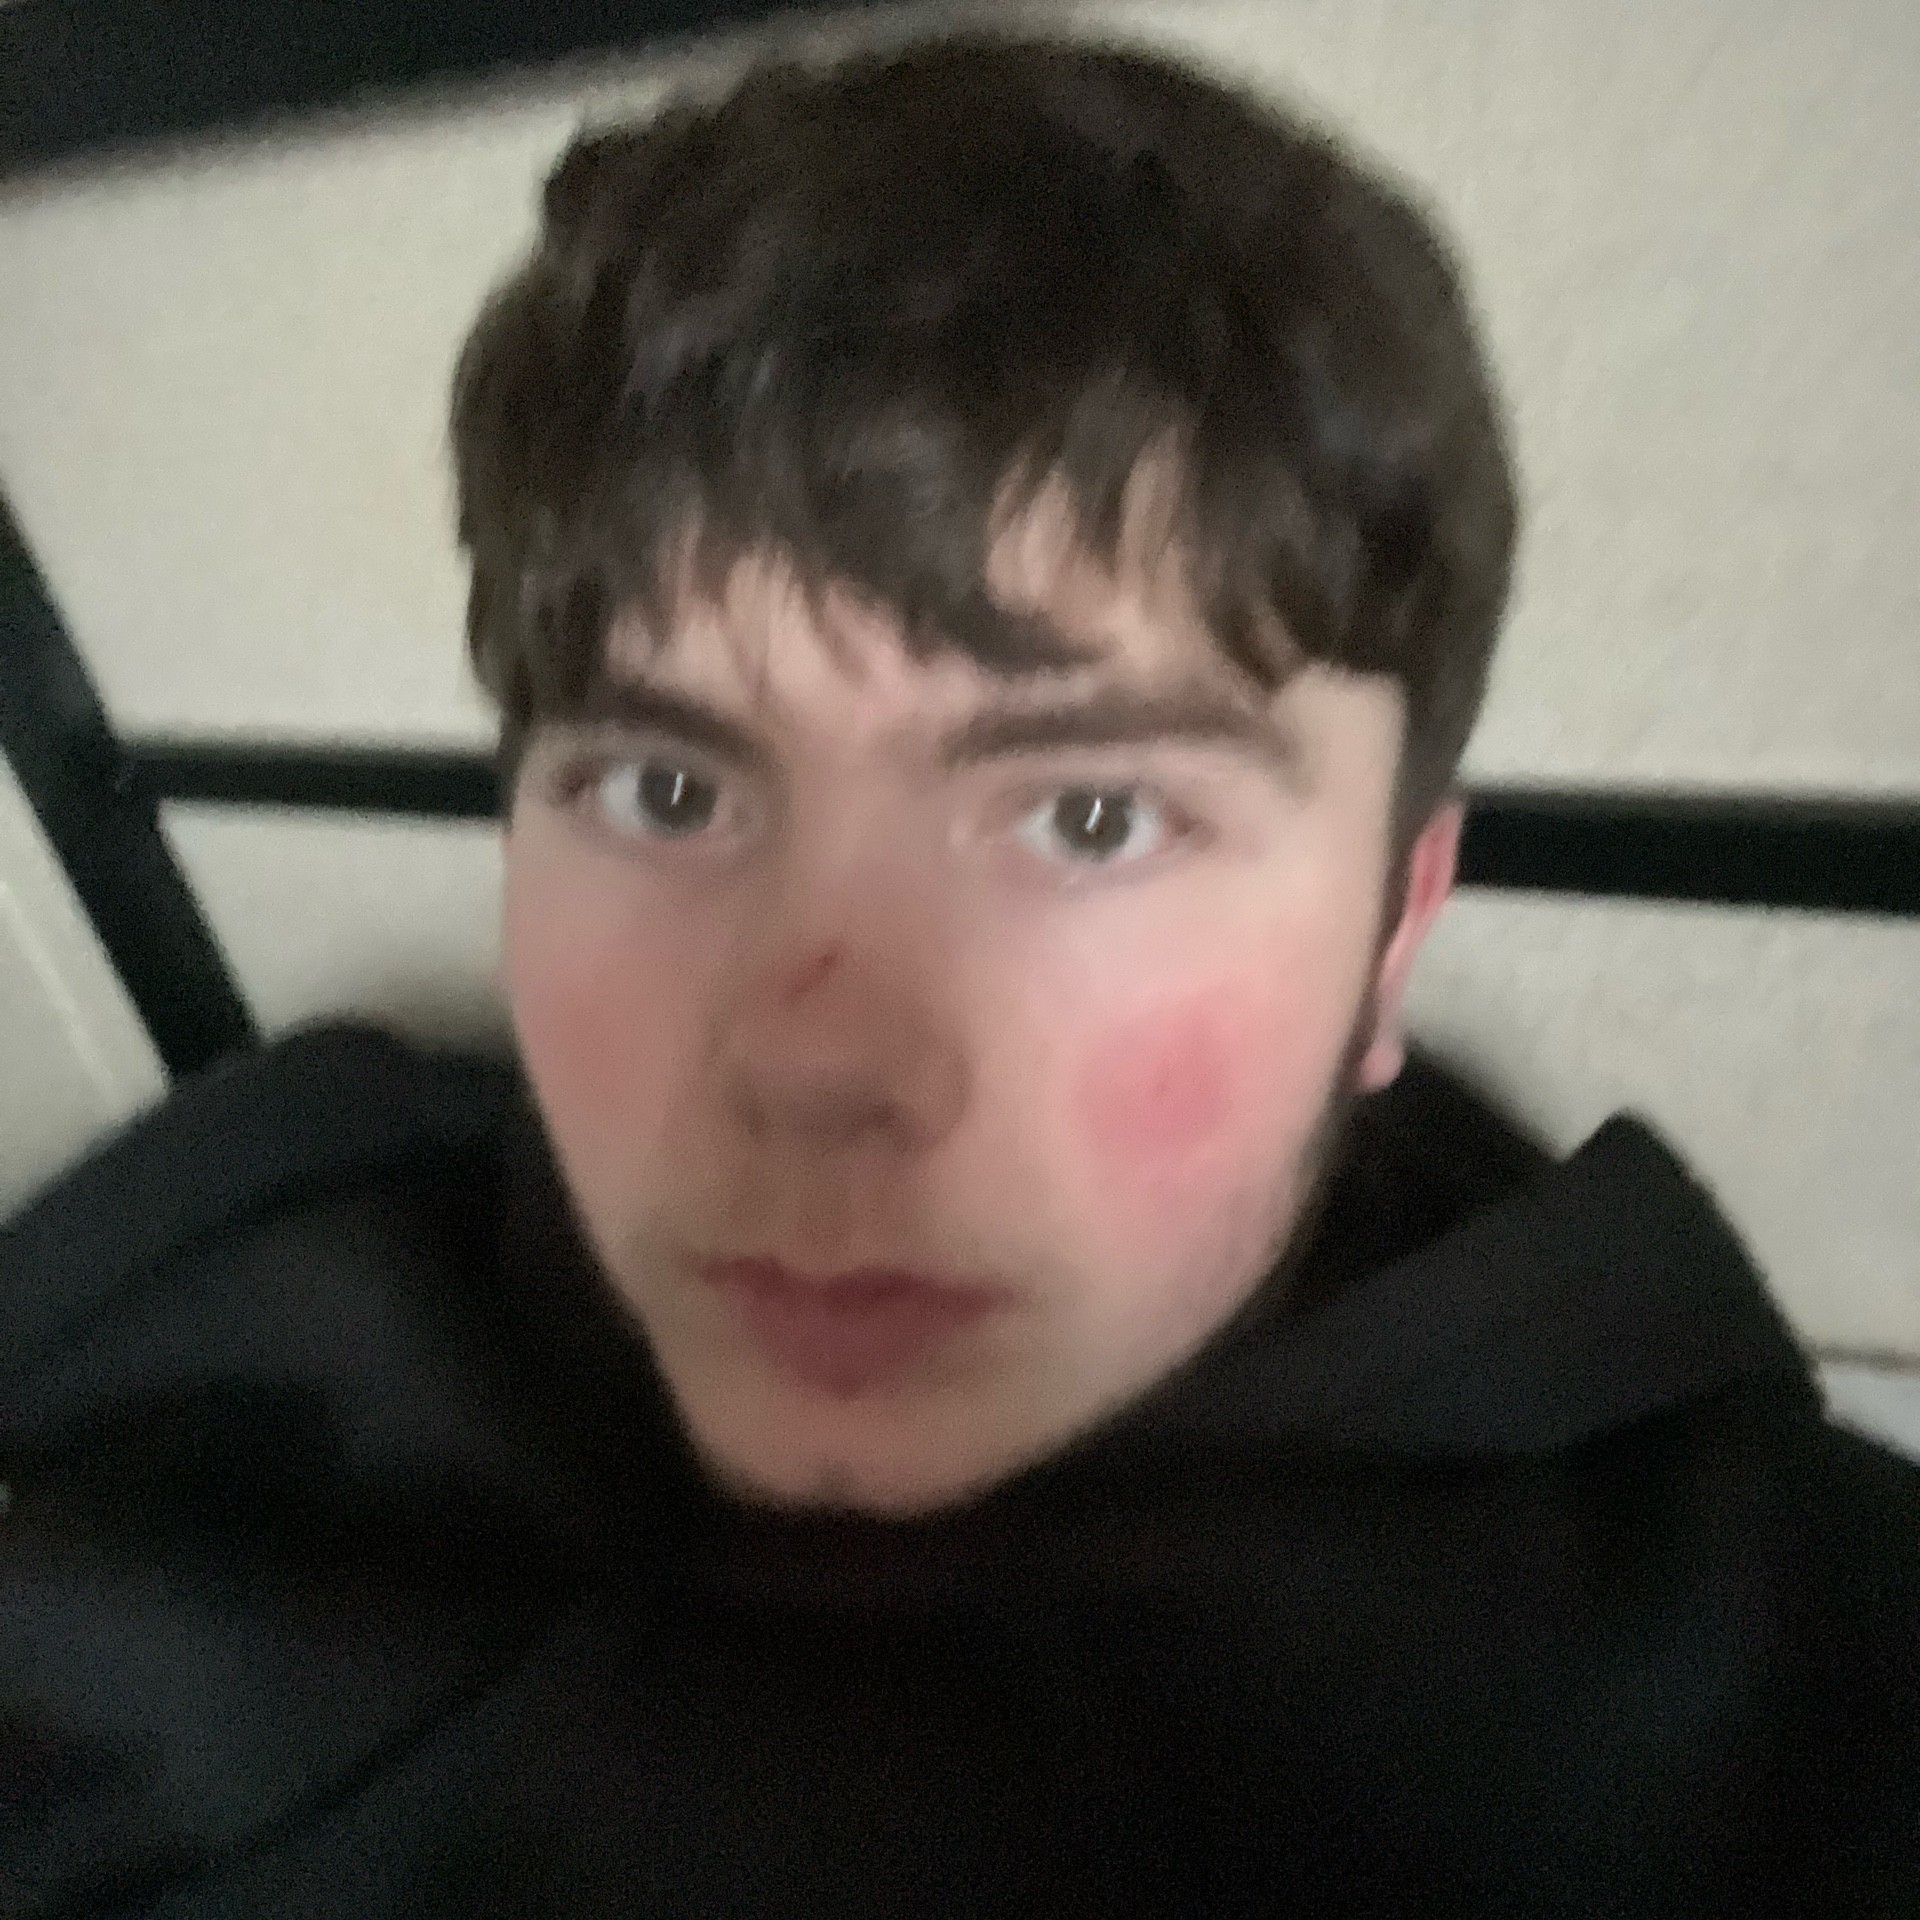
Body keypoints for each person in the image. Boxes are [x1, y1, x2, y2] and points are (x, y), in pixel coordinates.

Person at [3, 32, 1914, 1919]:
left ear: (1394, 931)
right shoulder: (241, 1334)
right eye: (667, 791)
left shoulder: (1797, 1717)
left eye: (1092, 817)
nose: (820, 1066)